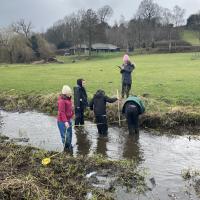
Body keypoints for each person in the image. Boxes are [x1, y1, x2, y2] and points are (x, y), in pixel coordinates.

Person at [57, 85, 74, 151]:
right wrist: (65, 122)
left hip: (68, 120)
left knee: (70, 135)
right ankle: (66, 149)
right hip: (62, 121)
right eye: (69, 92)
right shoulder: (62, 101)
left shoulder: (68, 99)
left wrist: (72, 113)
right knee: (65, 136)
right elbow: (62, 112)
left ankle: (69, 146)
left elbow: (69, 109)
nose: (71, 93)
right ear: (66, 93)